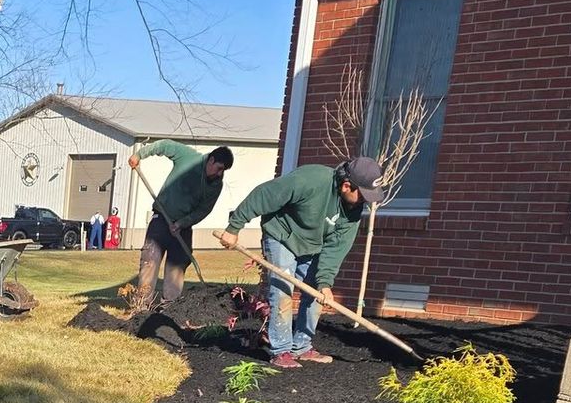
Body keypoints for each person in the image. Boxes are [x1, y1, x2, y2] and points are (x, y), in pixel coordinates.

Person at [217, 156, 384, 369]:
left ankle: (302, 347)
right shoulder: (311, 180)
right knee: (282, 291)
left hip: (312, 245)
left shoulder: (353, 211)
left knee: (316, 294)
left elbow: (335, 249)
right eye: (362, 194)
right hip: (283, 236)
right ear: (346, 186)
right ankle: (281, 351)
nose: (365, 201)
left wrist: (325, 283)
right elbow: (264, 195)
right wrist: (234, 227)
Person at [126, 142, 233, 319]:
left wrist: (183, 223)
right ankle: (141, 308)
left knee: (176, 267)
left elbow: (203, 210)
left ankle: (169, 311)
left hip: (182, 228)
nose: (220, 173)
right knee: (150, 261)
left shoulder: (216, 185)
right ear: (211, 160)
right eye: (219, 168)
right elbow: (163, 146)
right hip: (161, 219)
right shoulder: (188, 157)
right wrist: (139, 155)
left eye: (223, 171)